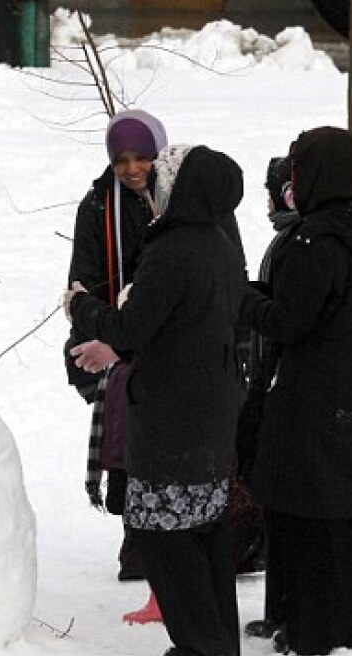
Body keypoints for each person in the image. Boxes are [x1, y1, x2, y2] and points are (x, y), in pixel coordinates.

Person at [64, 144, 247, 656]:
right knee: (205, 533)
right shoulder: (220, 243)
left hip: (172, 422)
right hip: (210, 419)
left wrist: (83, 307)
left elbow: (131, 327)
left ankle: (198, 646)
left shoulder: (173, 248)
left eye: (163, 176)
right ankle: (216, 644)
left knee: (166, 539)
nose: (152, 184)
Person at [241, 127, 352, 655]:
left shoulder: (315, 240)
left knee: (305, 511)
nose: (292, 179)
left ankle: (310, 627)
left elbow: (289, 321)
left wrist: (242, 300)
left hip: (313, 396)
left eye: (299, 167)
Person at [66, 109, 166, 588]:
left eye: (142, 157)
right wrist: (108, 338)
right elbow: (80, 284)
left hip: (166, 343)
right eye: (121, 159)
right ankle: (138, 544)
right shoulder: (97, 207)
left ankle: (167, 545)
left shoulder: (179, 200)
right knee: (130, 445)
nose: (132, 169)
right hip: (110, 341)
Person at [237, 155, 301, 641]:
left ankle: (291, 609)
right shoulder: (286, 240)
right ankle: (279, 605)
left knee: (286, 505)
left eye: (271, 192)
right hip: (266, 381)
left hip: (282, 388)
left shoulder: (300, 242)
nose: (266, 203)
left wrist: (245, 298)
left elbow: (283, 316)